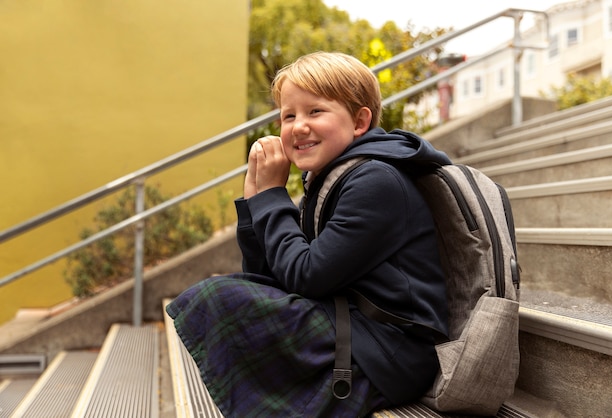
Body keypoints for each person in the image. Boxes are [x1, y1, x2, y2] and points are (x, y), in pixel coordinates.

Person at [167, 51, 451, 417]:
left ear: (359, 121)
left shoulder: (377, 180)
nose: (298, 126)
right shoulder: (329, 179)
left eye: (315, 111)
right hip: (352, 328)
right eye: (289, 115)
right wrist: (256, 202)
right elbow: (270, 276)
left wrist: (273, 197)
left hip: (390, 351)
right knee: (229, 293)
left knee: (218, 297)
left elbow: (306, 276)